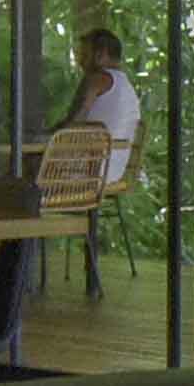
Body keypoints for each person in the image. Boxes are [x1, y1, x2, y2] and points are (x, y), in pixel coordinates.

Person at [55, 28, 140, 289]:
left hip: (91, 170)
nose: (79, 61)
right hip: (112, 169)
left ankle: (15, 260)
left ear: (101, 55)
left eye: (84, 54)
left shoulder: (97, 79)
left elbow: (74, 121)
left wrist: (44, 136)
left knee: (22, 172)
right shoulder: (127, 86)